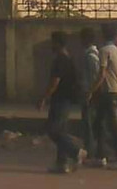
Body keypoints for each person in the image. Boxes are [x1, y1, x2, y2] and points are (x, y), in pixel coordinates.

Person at [37, 31, 85, 173]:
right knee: (61, 130)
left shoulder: (60, 60)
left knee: (53, 130)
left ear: (57, 43)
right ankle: (61, 163)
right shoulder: (68, 58)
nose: (51, 45)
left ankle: (76, 151)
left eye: (53, 42)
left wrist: (43, 98)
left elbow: (55, 82)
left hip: (61, 100)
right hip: (65, 99)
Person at [87, 24, 117, 169]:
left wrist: (92, 90)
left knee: (113, 125)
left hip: (107, 91)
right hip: (116, 89)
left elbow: (102, 73)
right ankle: (101, 156)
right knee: (100, 123)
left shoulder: (104, 51)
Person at [77, 27, 100, 158]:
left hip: (89, 93)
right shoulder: (89, 54)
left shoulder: (91, 56)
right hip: (87, 91)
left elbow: (96, 75)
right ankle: (90, 149)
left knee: (89, 123)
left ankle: (91, 151)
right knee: (88, 123)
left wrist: (91, 92)